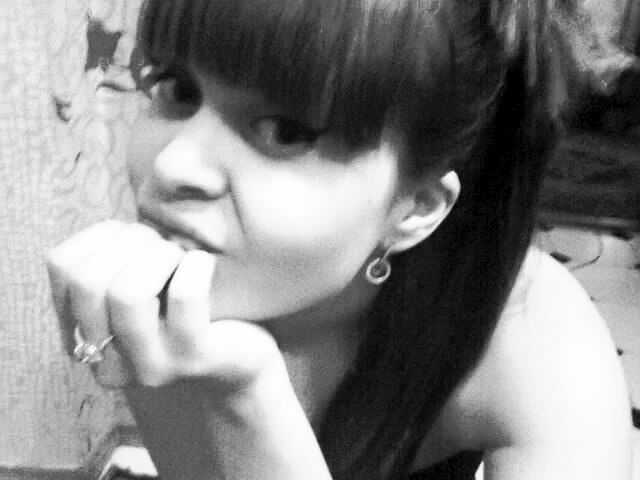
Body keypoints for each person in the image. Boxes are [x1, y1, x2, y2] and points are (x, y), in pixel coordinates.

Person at [46, 0, 633, 479]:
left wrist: (243, 401)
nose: (171, 166)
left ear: (415, 209)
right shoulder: (164, 289)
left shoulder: (535, 345)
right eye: (177, 89)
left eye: (285, 131)